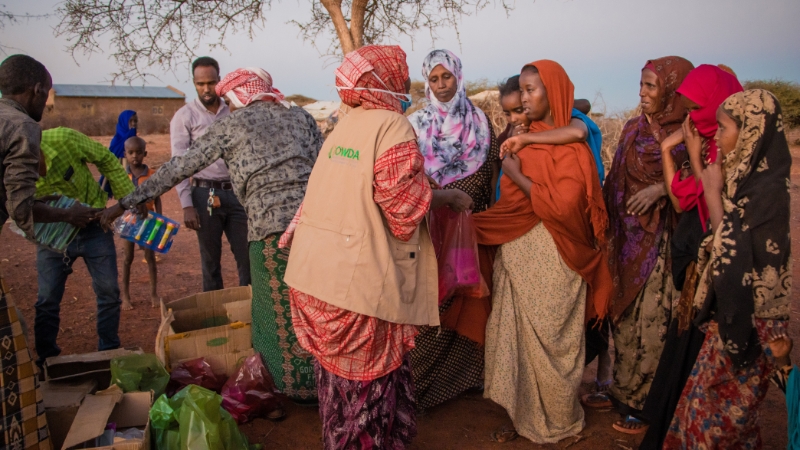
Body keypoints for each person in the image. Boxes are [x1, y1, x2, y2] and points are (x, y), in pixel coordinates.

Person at [104, 67, 323, 403]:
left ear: (236, 97)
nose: (229, 107)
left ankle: (286, 386)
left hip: (269, 233)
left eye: (229, 101)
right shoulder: (302, 118)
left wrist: (124, 204)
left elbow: (179, 167)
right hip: (315, 228)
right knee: (317, 304)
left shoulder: (231, 124)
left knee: (272, 310)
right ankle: (326, 381)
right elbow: (324, 166)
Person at [280, 44, 461, 449]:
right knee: (366, 398)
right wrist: (437, 199)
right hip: (357, 289)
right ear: (390, 79)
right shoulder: (392, 126)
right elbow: (402, 212)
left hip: (315, 276)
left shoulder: (344, 124)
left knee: (338, 391)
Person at [472, 60, 611, 444]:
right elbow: (509, 201)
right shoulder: (521, 137)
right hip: (518, 253)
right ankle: (521, 416)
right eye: (525, 90)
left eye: (534, 90)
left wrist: (516, 173)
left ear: (553, 93)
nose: (527, 97)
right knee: (517, 337)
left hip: (557, 254)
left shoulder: (573, 147)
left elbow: (564, 208)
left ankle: (562, 422)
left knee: (553, 339)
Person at [663, 89, 791, 448]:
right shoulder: (744, 177)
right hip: (730, 314)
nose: (717, 136)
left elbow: (732, 253)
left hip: (751, 322)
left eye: (724, 128)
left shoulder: (767, 192)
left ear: (751, 131)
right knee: (705, 411)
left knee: (720, 422)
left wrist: (712, 194)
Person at [639, 64, 743, 448]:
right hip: (694, 258)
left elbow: (707, 196)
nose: (692, 114)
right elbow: (684, 196)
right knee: (685, 343)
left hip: (718, 263)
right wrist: (673, 149)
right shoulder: (708, 140)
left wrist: (694, 157)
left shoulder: (733, 148)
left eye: (699, 105)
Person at [0, 53, 95, 450]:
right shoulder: (21, 124)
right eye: (48, 94)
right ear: (37, 89)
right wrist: (66, 214)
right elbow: (20, 209)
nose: (48, 103)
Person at [595, 57, 694, 434]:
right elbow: (615, 176)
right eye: (641, 85)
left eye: (651, 86)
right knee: (624, 315)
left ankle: (646, 402)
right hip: (625, 239)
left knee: (654, 321)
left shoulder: (687, 132)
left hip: (662, 241)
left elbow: (694, 186)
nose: (642, 93)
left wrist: (661, 189)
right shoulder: (633, 129)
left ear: (671, 88)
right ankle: (622, 390)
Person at [405, 49, 498, 411]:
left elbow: (490, 173)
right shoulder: (414, 124)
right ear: (426, 82)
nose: (442, 86)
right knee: (429, 306)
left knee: (465, 303)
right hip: (427, 232)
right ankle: (414, 387)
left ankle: (459, 382)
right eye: (434, 79)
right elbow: (408, 179)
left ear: (459, 76)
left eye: (447, 77)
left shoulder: (480, 121)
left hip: (469, 234)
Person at [34, 127, 135, 366]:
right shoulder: (11, 165)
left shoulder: (64, 138)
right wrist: (66, 215)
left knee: (109, 292)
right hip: (52, 236)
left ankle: (108, 352)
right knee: (47, 299)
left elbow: (106, 158)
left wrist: (126, 201)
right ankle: (46, 362)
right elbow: (20, 208)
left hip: (94, 227)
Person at [171, 56, 250, 292]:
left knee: (247, 257)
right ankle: (216, 317)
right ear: (194, 83)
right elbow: (179, 163)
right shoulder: (185, 117)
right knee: (210, 262)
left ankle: (251, 312)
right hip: (204, 194)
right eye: (200, 84)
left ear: (219, 81)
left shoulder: (234, 109)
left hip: (237, 194)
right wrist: (186, 204)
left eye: (211, 83)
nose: (206, 89)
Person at [120, 136, 161, 310]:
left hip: (149, 220)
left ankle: (153, 294)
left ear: (145, 153)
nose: (134, 156)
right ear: (125, 154)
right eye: (130, 153)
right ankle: (125, 296)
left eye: (138, 152)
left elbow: (157, 198)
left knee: (150, 257)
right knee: (127, 258)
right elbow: (120, 198)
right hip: (129, 220)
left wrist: (160, 217)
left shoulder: (151, 174)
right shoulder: (122, 175)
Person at [100, 110, 137, 195]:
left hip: (131, 164)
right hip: (117, 164)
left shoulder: (134, 137)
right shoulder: (117, 139)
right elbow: (113, 152)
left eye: (135, 121)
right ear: (124, 122)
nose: (133, 123)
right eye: (130, 121)